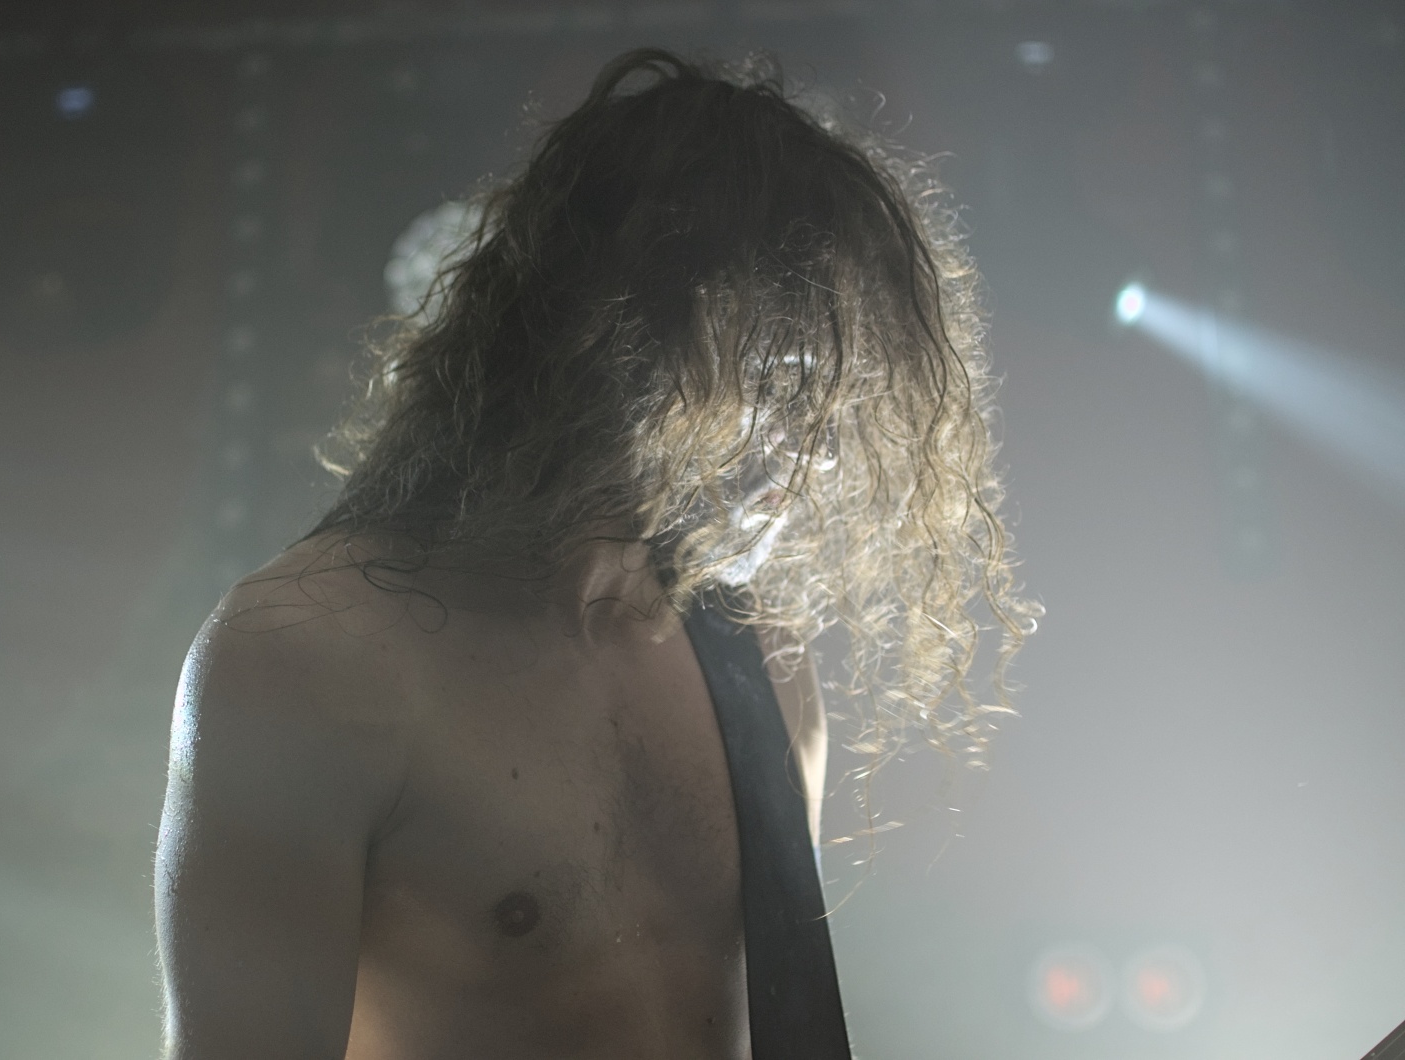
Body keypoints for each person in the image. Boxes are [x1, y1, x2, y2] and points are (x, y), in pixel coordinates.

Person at [154, 48, 1033, 1059]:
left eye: (833, 391)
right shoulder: (308, 656)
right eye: (778, 375)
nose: (816, 444)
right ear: (613, 347)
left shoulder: (761, 662)